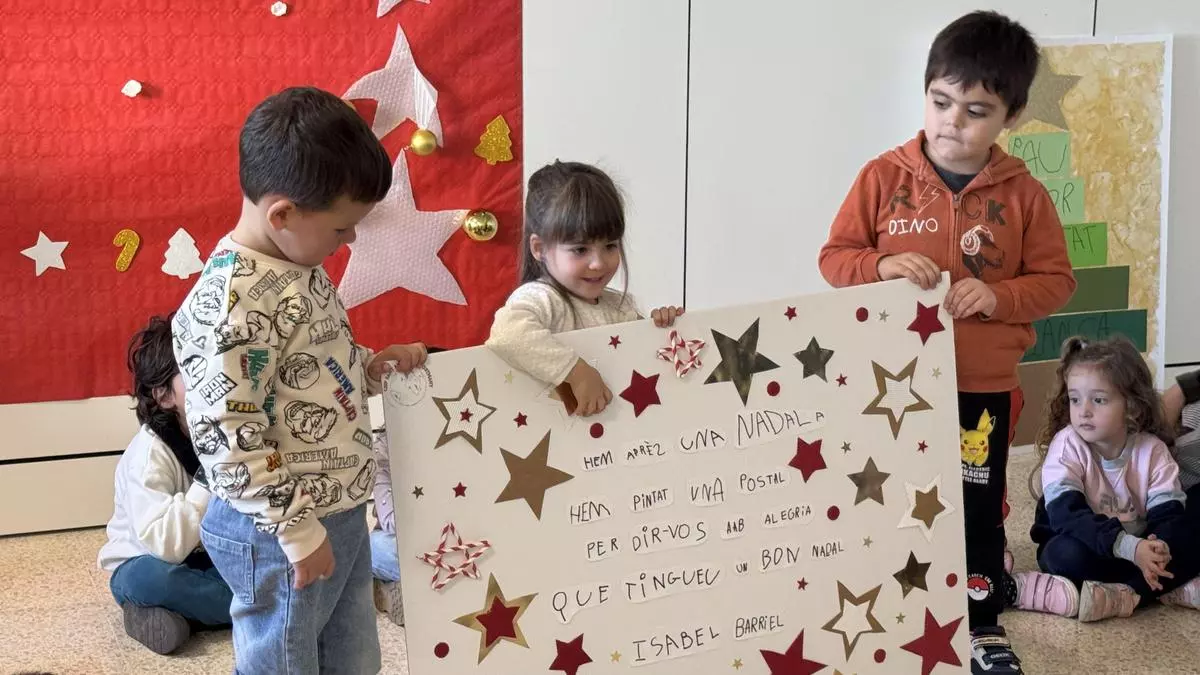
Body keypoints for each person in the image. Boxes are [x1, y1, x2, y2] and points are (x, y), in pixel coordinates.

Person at [817, 11, 1076, 674]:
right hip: (889, 384)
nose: (951, 122)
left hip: (982, 391)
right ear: (926, 92)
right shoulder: (883, 178)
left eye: (975, 111)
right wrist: (880, 265)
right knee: (886, 497)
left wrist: (997, 297)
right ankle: (888, 610)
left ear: (1012, 116)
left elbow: (1056, 282)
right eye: (939, 102)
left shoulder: (1025, 196)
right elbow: (835, 258)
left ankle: (981, 622)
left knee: (977, 509)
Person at [172, 86, 428, 674]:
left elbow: (308, 361)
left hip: (338, 505)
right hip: (275, 527)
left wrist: (367, 367)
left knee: (352, 653)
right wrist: (294, 528)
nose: (350, 240)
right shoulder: (231, 306)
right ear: (282, 214)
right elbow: (228, 434)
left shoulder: (297, 263)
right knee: (284, 658)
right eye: (342, 228)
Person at [1019, 336, 1200, 622]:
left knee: (1189, 531)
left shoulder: (1152, 450)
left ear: (1132, 407)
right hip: (1087, 542)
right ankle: (1159, 587)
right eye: (1075, 399)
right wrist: (1131, 549)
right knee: (1063, 555)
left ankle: (1130, 592)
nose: (1083, 411)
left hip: (1139, 546)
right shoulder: (1066, 445)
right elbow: (1067, 517)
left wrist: (1159, 548)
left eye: (1098, 400)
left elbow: (1168, 515)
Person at [486, 160, 681, 414]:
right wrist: (575, 372)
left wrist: (661, 328)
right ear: (539, 248)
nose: (598, 263)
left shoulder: (619, 307)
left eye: (610, 246)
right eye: (580, 249)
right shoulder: (541, 298)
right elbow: (507, 333)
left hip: (616, 432)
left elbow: (644, 363)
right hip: (555, 433)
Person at [98, 314, 232, 655]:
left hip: (211, 559)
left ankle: (177, 617)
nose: (214, 378)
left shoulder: (233, 429)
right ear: (164, 396)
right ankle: (248, 607)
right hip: (149, 561)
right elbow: (166, 546)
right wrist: (210, 474)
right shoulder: (149, 453)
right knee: (148, 580)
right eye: (195, 370)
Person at [368, 428, 404, 626]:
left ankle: (392, 588)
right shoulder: (381, 452)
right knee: (372, 547)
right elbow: (391, 519)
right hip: (407, 542)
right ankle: (390, 592)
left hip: (458, 539)